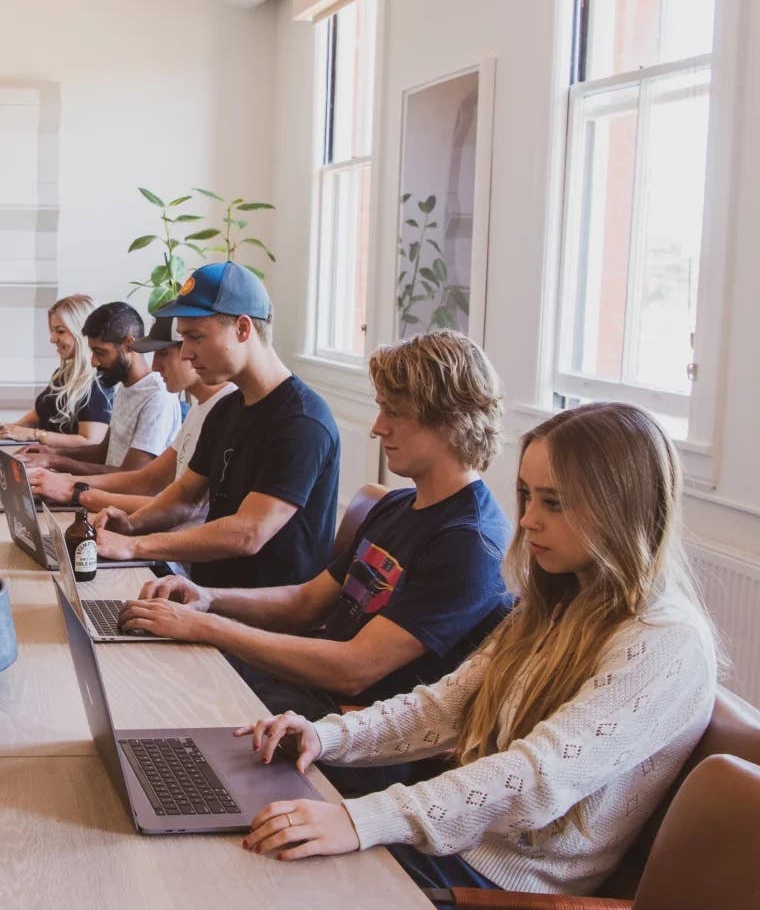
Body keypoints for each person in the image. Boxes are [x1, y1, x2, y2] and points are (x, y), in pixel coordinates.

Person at [233, 403, 720, 910]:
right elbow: (445, 705)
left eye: (554, 503)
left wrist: (361, 818)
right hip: (448, 855)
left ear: (621, 507)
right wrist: (327, 735)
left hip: (500, 903)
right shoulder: (559, 601)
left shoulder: (667, 643)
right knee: (245, 884)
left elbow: (535, 779)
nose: (529, 521)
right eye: (527, 497)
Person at [120, 332, 513, 790]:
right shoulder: (398, 506)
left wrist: (205, 626)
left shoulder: (469, 542)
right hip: (307, 699)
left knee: (176, 709)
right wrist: (208, 600)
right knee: (158, 679)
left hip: (356, 740)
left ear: (449, 420)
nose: (377, 426)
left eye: (395, 412)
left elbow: (353, 669)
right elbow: (307, 603)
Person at [87, 263, 340, 589]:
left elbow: (248, 533)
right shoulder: (226, 410)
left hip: (256, 616)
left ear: (243, 329)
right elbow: (184, 497)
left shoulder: (302, 422)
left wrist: (136, 546)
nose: (187, 354)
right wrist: (131, 525)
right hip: (202, 594)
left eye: (196, 337)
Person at [26, 316, 231, 515]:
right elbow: (146, 479)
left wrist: (74, 489)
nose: (155, 366)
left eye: (164, 353)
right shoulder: (200, 408)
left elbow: (177, 503)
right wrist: (64, 475)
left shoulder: (222, 408)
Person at [14, 301, 180, 475]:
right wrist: (51, 452)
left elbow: (131, 476)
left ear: (128, 344)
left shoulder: (158, 397)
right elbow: (102, 452)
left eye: (100, 352)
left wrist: (55, 461)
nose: (94, 362)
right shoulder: (125, 388)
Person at [0, 294, 112, 450]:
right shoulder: (62, 374)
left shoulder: (98, 382)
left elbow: (91, 441)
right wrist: (11, 428)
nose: (52, 338)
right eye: (52, 331)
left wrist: (36, 435)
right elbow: (40, 414)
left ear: (82, 332)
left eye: (60, 331)